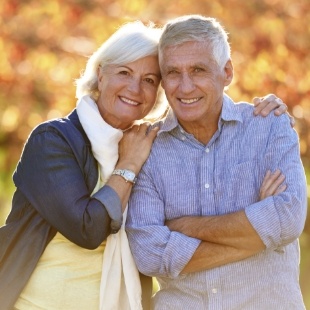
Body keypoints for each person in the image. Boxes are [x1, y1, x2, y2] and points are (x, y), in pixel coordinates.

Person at [0, 19, 288, 310]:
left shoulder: (149, 144)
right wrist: (254, 239)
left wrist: (264, 116)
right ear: (100, 75)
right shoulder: (53, 141)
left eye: (150, 80)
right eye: (124, 72)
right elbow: (89, 229)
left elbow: (208, 112)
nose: (135, 88)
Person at [126, 15, 307, 310]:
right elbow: (150, 254)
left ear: (227, 72)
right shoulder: (148, 147)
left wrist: (184, 227)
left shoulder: (268, 126)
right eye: (173, 72)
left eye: (198, 70)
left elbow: (287, 218)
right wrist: (256, 234)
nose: (185, 87)